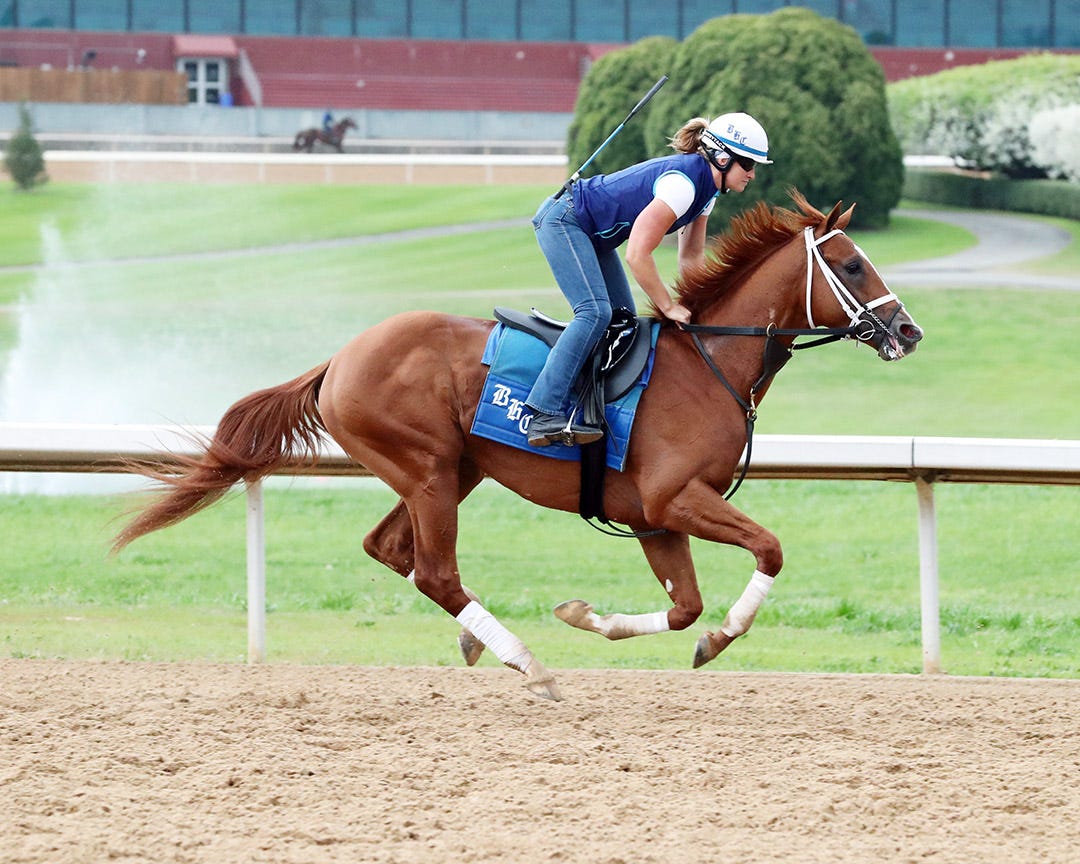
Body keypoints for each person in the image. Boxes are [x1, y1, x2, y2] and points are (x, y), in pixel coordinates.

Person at [524, 111, 773, 447]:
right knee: (595, 312)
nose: (753, 175)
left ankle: (588, 407)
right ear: (723, 158)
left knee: (623, 320)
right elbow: (637, 255)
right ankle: (542, 413)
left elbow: (691, 258)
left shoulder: (707, 193)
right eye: (748, 165)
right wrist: (668, 306)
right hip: (565, 220)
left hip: (592, 235)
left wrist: (697, 306)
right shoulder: (683, 185)